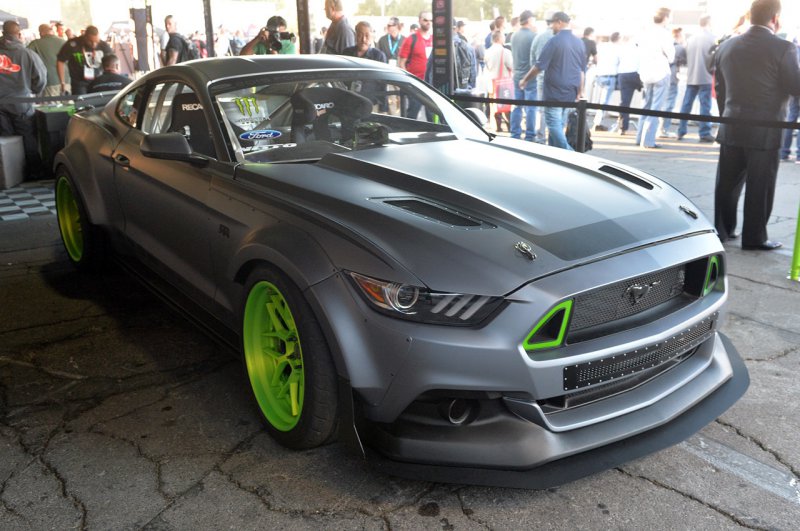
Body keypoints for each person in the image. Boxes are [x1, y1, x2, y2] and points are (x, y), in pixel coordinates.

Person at [713, 0, 800, 250]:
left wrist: (726, 116)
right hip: (765, 129)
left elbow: (720, 89)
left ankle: (723, 230)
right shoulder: (784, 48)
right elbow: (795, 87)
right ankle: (755, 238)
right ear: (776, 18)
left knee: (726, 184)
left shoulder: (727, 45)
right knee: (760, 186)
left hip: (731, 124)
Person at [519, 12, 585, 150]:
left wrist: (525, 80)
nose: (551, 26)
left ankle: (571, 154)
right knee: (559, 125)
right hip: (570, 92)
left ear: (559, 22)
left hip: (554, 92)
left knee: (554, 125)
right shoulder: (579, 42)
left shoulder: (554, 41)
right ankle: (555, 154)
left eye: (552, 23)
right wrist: (580, 92)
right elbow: (581, 71)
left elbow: (539, 66)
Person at [0, 21, 47, 179]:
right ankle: (33, 172)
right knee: (27, 136)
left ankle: (10, 175)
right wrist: (34, 90)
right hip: (22, 103)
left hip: (0, 104)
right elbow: (40, 78)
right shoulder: (27, 54)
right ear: (18, 34)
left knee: (6, 139)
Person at [635, 7, 674, 149]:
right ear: (665, 18)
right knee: (656, 107)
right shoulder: (664, 34)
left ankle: (639, 136)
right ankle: (648, 140)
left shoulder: (644, 33)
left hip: (645, 72)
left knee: (645, 105)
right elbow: (671, 56)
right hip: (660, 72)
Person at [676, 16, 716, 142]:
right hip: (706, 77)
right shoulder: (712, 38)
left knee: (686, 104)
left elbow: (684, 57)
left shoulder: (690, 39)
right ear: (709, 23)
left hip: (691, 76)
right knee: (705, 106)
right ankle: (704, 132)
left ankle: (681, 131)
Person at [56, 25, 111, 95]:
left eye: (96, 42)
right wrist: (62, 82)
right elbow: (60, 61)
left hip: (98, 80)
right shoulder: (73, 44)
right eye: (91, 41)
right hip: (79, 82)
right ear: (85, 37)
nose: (94, 44)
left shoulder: (104, 46)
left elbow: (112, 61)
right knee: (82, 103)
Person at [398, 11, 432, 119]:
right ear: (419, 21)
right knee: (412, 116)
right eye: (425, 20)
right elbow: (401, 63)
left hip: (431, 86)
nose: (428, 23)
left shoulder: (435, 40)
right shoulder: (411, 39)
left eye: (430, 20)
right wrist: (409, 82)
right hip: (415, 85)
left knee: (432, 117)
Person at [509, 10, 537, 140]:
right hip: (530, 77)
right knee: (531, 107)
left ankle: (515, 133)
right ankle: (530, 135)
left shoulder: (514, 35)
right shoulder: (533, 36)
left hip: (516, 75)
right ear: (529, 20)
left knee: (516, 106)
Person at [659, 27, 687, 137]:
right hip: (672, 78)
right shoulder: (679, 48)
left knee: (660, 103)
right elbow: (685, 61)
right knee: (669, 104)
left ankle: (659, 128)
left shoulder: (666, 46)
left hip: (661, 76)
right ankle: (663, 129)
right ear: (679, 35)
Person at [591, 32, 621, 131]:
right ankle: (598, 123)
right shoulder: (618, 49)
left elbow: (596, 59)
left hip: (599, 75)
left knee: (600, 100)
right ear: (618, 39)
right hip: (610, 76)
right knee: (604, 101)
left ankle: (597, 121)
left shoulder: (602, 46)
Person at [27, 23, 66, 97]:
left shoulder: (35, 43)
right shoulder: (63, 41)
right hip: (66, 80)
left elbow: (26, 56)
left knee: (51, 107)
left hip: (49, 82)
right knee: (69, 107)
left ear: (41, 33)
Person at [485, 30, 513, 132]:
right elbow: (512, 66)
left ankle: (498, 127)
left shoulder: (487, 51)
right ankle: (510, 127)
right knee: (506, 106)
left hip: (491, 83)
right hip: (503, 83)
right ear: (500, 38)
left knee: (494, 105)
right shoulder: (505, 52)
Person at [616, 36, 641, 135]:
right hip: (636, 74)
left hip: (623, 74)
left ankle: (622, 127)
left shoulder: (622, 49)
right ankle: (644, 127)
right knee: (646, 100)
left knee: (624, 102)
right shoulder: (639, 49)